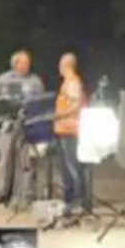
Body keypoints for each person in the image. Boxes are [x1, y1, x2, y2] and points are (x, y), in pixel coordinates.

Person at [52, 52, 88, 215]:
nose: (59, 67)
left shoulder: (72, 82)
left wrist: (59, 115)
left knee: (72, 166)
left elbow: (75, 105)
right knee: (66, 167)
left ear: (66, 65)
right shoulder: (68, 82)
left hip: (71, 130)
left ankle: (77, 201)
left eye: (61, 64)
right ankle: (70, 200)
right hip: (64, 130)